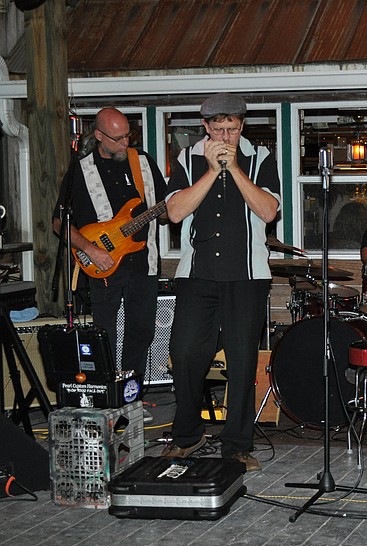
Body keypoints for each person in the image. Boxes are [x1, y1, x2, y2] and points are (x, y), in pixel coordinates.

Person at [163, 92, 280, 472]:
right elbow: (176, 212)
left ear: (242, 125)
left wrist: (235, 170)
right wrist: (212, 170)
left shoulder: (260, 158)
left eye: (232, 129)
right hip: (197, 274)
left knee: (243, 363)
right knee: (183, 355)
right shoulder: (187, 159)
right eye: (218, 129)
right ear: (205, 126)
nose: (225, 136)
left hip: (246, 276)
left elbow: (268, 209)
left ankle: (236, 446)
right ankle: (188, 434)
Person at [52, 108, 168, 414]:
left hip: (144, 262)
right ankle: (104, 397)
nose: (123, 142)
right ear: (99, 136)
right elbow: (58, 222)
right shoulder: (81, 169)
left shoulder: (142, 162)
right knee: (104, 332)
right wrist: (90, 250)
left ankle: (132, 397)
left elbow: (166, 208)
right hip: (102, 265)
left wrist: (180, 204)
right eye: (116, 138)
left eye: (127, 135)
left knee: (141, 331)